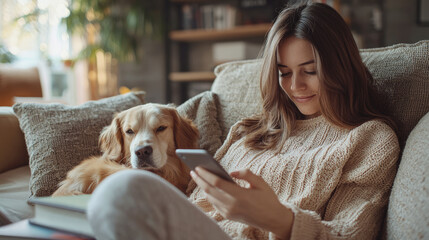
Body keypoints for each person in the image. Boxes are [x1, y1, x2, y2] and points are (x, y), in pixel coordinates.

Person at [87, 2, 400, 240]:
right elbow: (196, 198)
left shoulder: (371, 139)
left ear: (341, 67)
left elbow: (349, 233)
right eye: (284, 73)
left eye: (311, 70)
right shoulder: (251, 130)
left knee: (122, 191)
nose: (295, 86)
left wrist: (278, 218)